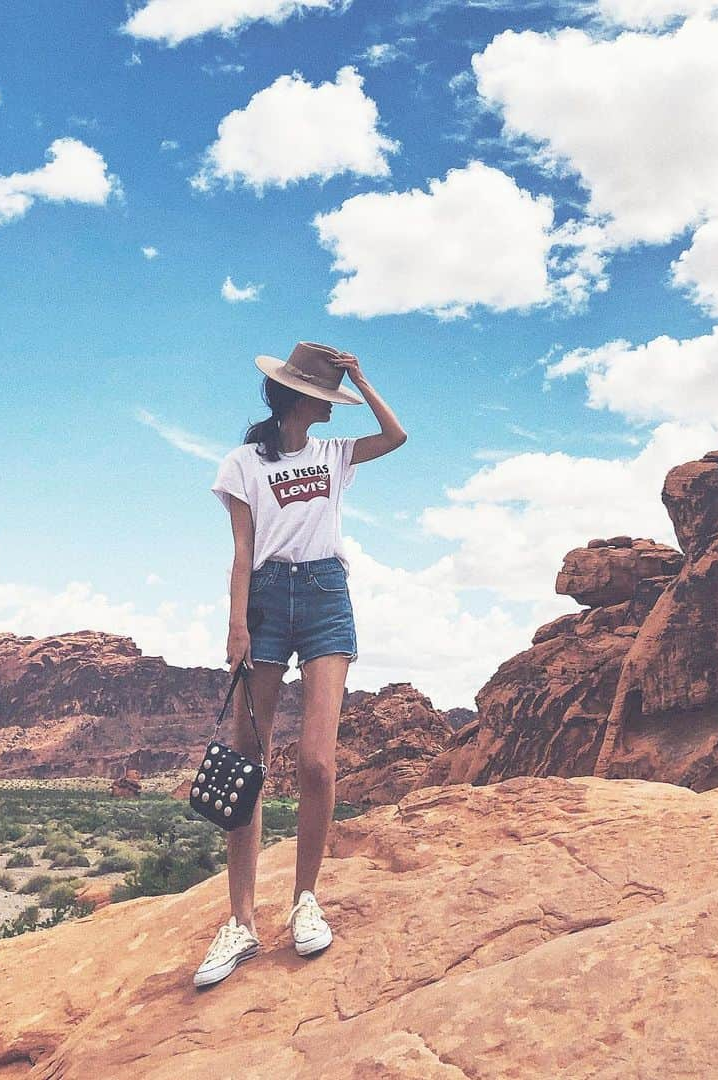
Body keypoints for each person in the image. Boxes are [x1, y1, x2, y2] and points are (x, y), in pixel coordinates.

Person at [193, 341, 407, 989]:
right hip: (265, 600)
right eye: (328, 393)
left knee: (317, 759)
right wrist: (236, 624)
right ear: (298, 397)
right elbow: (241, 550)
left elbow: (395, 435)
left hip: (324, 600)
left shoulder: (334, 455)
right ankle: (241, 922)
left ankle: (305, 900)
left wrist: (363, 377)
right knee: (249, 761)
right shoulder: (242, 463)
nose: (333, 404)